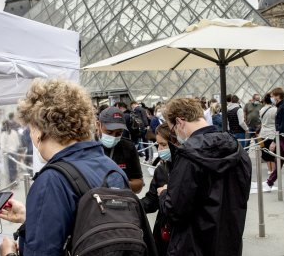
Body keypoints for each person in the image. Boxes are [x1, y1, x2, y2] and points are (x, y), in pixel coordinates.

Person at [0, 79, 128, 256]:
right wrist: (32, 218)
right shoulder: (113, 169)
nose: (30, 133)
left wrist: (9, 254)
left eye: (31, 127)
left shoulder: (51, 181)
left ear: (41, 127)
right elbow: (89, 225)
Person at [158, 97, 252, 256]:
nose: (175, 134)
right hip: (230, 242)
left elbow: (175, 210)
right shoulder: (238, 150)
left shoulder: (188, 155)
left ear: (180, 122)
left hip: (193, 245)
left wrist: (164, 194)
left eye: (173, 129)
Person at [140, 122, 178, 256]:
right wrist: (134, 206)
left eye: (163, 145)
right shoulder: (161, 169)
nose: (159, 149)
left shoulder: (187, 169)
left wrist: (165, 193)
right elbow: (152, 200)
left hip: (182, 235)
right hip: (163, 232)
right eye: (158, 145)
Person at [98, 106, 144, 193]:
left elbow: (138, 184)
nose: (113, 136)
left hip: (121, 201)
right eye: (109, 132)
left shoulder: (128, 147)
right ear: (98, 125)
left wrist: (122, 184)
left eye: (119, 133)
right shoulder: (88, 146)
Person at [259, 93, 277, 174]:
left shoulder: (262, 110)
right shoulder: (275, 109)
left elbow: (261, 121)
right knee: (272, 153)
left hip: (263, 133)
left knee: (266, 152)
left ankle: (269, 170)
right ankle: (274, 170)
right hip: (272, 133)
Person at [1, 115, 22, 183]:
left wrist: (1, 155)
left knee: (10, 168)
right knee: (15, 167)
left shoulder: (4, 134)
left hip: (8, 154)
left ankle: (12, 181)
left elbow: (2, 146)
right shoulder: (14, 132)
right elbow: (18, 144)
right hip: (14, 152)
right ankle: (14, 181)